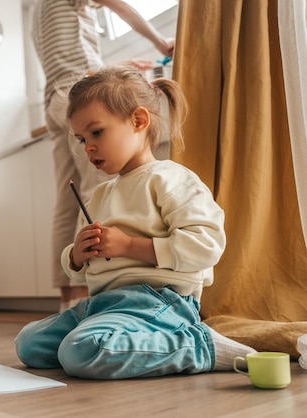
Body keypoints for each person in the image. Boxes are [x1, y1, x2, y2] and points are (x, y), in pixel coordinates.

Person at [15, 65, 256, 379]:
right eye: (81, 138)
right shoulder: (99, 195)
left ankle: (200, 346)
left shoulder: (170, 178)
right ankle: (115, 343)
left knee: (80, 350)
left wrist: (128, 245)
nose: (87, 146)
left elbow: (206, 246)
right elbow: (83, 264)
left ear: (139, 121)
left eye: (96, 132)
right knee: (29, 344)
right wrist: (76, 255)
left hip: (158, 301)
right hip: (102, 303)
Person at [32, 0, 175, 311]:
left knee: (67, 201)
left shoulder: (38, 10)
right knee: (95, 191)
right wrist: (162, 43)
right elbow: (120, 6)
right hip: (78, 92)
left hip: (54, 103)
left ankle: (67, 301)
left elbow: (63, 58)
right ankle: (89, 294)